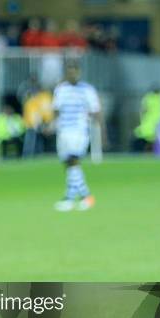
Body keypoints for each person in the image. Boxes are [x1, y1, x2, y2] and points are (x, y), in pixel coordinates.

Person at [52, 63, 100, 211]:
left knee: (74, 160)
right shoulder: (61, 89)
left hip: (78, 130)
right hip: (64, 130)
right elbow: (56, 109)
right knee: (68, 163)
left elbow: (95, 110)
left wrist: (98, 130)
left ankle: (70, 198)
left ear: (79, 72)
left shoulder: (87, 90)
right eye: (69, 72)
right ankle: (85, 196)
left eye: (75, 72)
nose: (72, 75)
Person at [132, 87, 160, 152]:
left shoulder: (148, 98)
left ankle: (140, 152)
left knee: (140, 138)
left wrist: (142, 118)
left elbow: (143, 110)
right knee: (154, 141)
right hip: (159, 125)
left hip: (148, 126)